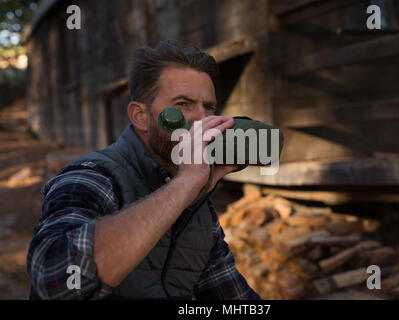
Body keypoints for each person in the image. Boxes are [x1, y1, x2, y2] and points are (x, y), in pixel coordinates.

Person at [27, 39, 261, 300]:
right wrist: (186, 183)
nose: (202, 120)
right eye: (183, 104)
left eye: (208, 107)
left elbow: (234, 297)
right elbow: (52, 281)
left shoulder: (196, 201)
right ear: (140, 116)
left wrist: (189, 186)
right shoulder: (90, 177)